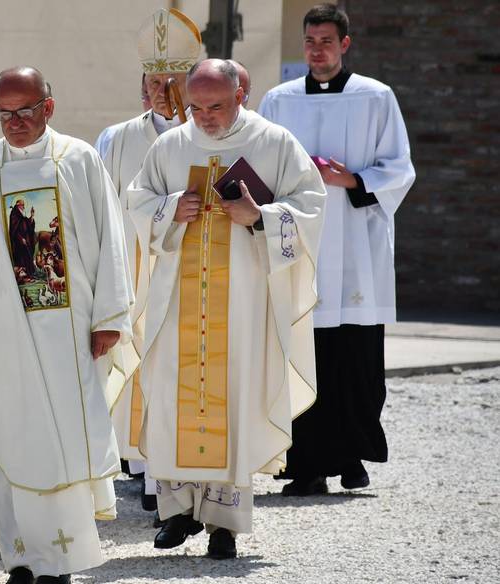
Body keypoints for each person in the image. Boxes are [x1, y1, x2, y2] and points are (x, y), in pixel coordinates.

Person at [0, 66, 132, 584]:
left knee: (60, 434)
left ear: (48, 107)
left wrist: (110, 314)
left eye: (24, 111)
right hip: (0, 332)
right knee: (8, 429)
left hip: (68, 327)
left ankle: (58, 560)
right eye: (3, 113)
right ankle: (19, 556)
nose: (14, 123)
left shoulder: (79, 160)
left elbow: (112, 238)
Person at [128, 59, 326, 558]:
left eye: (215, 106)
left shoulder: (274, 142)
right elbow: (135, 201)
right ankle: (175, 513)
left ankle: (223, 523)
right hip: (177, 302)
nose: (204, 118)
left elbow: (310, 204)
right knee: (173, 396)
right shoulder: (171, 144)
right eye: (195, 107)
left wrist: (262, 217)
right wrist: (168, 208)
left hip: (243, 303)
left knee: (233, 398)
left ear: (242, 95)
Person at [258, 3, 415, 496]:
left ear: (344, 44)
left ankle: (351, 457)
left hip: (354, 246)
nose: (317, 49)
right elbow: (257, 162)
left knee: (353, 355)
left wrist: (351, 179)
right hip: (299, 244)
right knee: (303, 351)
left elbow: (399, 167)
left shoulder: (376, 97)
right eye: (309, 41)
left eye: (326, 41)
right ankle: (304, 465)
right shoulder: (278, 102)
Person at [95, 7, 202, 514]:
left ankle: (186, 469)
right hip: (134, 268)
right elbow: (102, 205)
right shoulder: (117, 138)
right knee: (135, 359)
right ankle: (140, 464)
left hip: (192, 271)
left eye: (173, 79)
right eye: (154, 81)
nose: (163, 90)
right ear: (142, 88)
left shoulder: (209, 134)